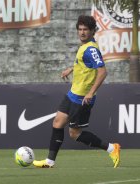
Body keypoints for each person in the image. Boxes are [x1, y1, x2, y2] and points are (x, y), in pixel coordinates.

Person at [33, 15, 120, 168]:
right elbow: (85, 64)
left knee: (74, 134)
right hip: (73, 94)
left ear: (93, 31)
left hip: (82, 98)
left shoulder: (91, 49)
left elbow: (102, 72)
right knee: (57, 122)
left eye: (85, 29)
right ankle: (49, 162)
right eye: (79, 29)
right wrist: (72, 68)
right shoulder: (84, 47)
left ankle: (112, 148)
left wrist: (91, 92)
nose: (82, 32)